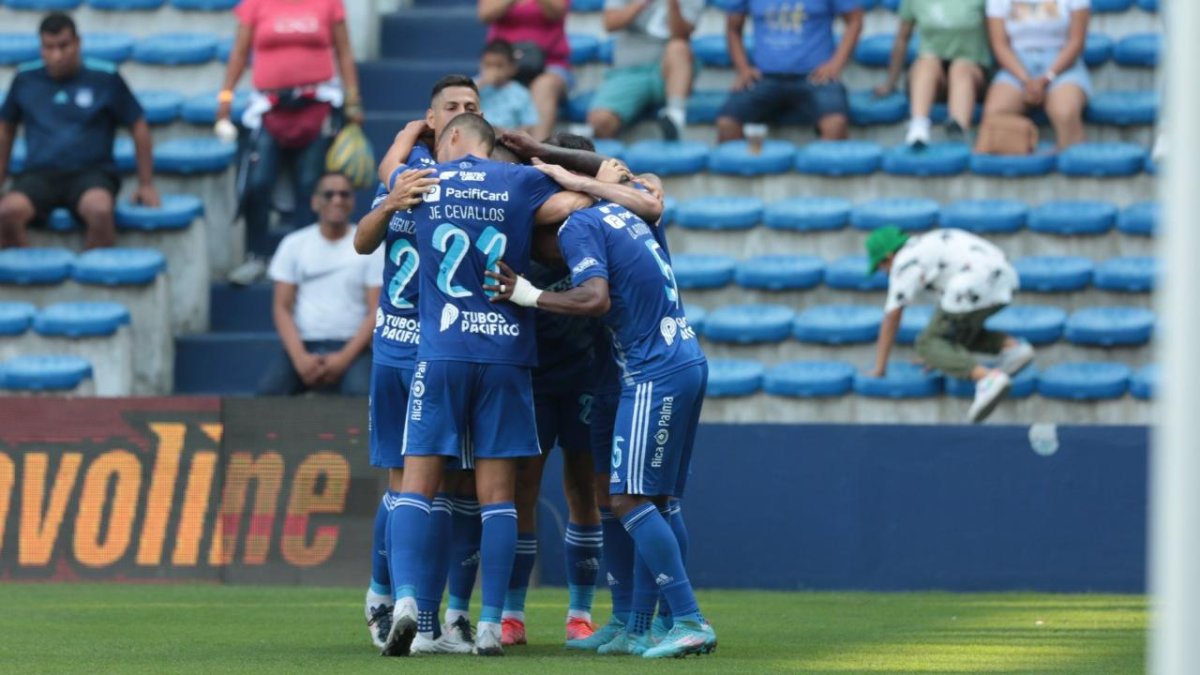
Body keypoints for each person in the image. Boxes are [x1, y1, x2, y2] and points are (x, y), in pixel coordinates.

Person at [484, 160, 715, 659]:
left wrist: (528, 293)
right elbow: (644, 187)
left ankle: (688, 618)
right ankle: (636, 623)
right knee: (649, 501)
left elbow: (593, 297)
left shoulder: (578, 228)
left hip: (655, 371)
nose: (549, 260)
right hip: (678, 359)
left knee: (632, 501)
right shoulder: (623, 211)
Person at [355, 75, 485, 656]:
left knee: (448, 486)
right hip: (399, 347)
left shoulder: (443, 170)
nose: (461, 113)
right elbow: (362, 241)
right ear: (432, 117)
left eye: (471, 107)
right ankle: (385, 596)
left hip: (443, 351)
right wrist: (389, 203)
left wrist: (405, 142)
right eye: (451, 106)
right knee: (404, 483)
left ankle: (428, 616)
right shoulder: (409, 174)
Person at [218, 0, 363, 285]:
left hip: (317, 105)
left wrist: (354, 100)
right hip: (269, 108)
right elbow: (239, 53)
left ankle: (307, 261)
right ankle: (256, 256)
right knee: (258, 182)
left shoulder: (329, 3)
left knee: (311, 184)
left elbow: (344, 53)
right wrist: (225, 98)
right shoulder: (255, 4)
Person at [0, 12, 159, 250]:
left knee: (100, 210)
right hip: (39, 174)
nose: (57, 55)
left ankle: (90, 280)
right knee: (7, 212)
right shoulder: (25, 78)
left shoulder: (105, 77)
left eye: (63, 46)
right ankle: (33, 279)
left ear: (77, 43)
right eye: (49, 47)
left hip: (92, 174)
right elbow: (5, 130)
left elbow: (138, 125)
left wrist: (145, 184)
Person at [865, 226, 1034, 423]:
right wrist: (942, 354)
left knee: (927, 343)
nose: (883, 272)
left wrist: (880, 368)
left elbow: (892, 317)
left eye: (880, 266)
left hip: (971, 283)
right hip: (1006, 279)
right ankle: (1012, 348)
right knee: (950, 336)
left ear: (888, 256)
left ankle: (987, 378)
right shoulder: (925, 243)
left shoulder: (903, 262)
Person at [258, 172, 382, 396]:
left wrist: (344, 358)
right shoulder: (293, 244)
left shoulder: (370, 245)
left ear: (353, 201)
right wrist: (299, 358)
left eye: (344, 194)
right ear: (315, 202)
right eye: (329, 194)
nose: (337, 200)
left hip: (354, 349)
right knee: (267, 395)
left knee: (362, 397)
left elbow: (376, 310)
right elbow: (281, 307)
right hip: (303, 346)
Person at [717, 0, 864, 144]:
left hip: (815, 77)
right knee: (727, 124)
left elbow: (855, 20)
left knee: (835, 124)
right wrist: (743, 68)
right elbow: (733, 29)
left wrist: (835, 64)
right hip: (764, 77)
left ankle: (822, 168)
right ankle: (747, 166)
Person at [875, 0, 991, 147]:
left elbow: (997, 38)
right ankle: (918, 127)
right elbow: (902, 39)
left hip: (973, 72)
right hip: (934, 77)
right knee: (926, 62)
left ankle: (959, 128)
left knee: (961, 67)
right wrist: (890, 83)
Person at [587, 0, 706, 140]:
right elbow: (610, 23)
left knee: (678, 47)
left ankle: (674, 117)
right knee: (600, 121)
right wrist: (640, 3)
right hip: (629, 71)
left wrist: (673, 4)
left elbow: (681, 35)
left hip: (670, 71)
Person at [982, 0, 1091, 150]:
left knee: (1065, 112)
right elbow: (1000, 45)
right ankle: (1023, 162)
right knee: (995, 112)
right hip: (1017, 64)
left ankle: (1072, 160)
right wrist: (1026, 80)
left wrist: (1048, 77)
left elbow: (1076, 41)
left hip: (1063, 64)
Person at [479, 0, 571, 141]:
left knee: (545, 85)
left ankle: (538, 153)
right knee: (487, 81)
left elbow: (556, 12)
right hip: (502, 63)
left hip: (549, 63)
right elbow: (486, 14)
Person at [477, 40, 540, 134]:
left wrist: (511, 135)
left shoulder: (521, 93)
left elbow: (528, 124)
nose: (493, 71)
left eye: (499, 66)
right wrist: (483, 82)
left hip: (507, 139)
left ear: (512, 68)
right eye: (488, 65)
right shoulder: (475, 85)